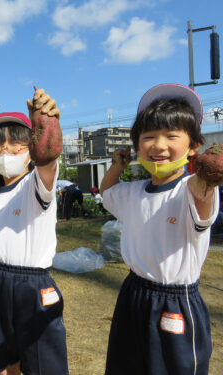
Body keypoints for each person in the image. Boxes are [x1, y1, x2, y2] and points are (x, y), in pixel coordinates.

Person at [100, 83, 218, 375]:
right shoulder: (133, 191)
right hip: (133, 291)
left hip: (175, 300)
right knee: (125, 366)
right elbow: (107, 194)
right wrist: (117, 166)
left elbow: (203, 194)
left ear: (193, 147)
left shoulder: (191, 190)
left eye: (171, 135)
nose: (159, 145)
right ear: (137, 144)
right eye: (149, 136)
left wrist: (209, 175)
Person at [0, 89, 69, 375]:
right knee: (2, 363)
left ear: (31, 146)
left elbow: (47, 160)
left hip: (34, 287)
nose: (5, 149)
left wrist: (47, 127)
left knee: (44, 364)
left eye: (17, 142)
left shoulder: (36, 184)